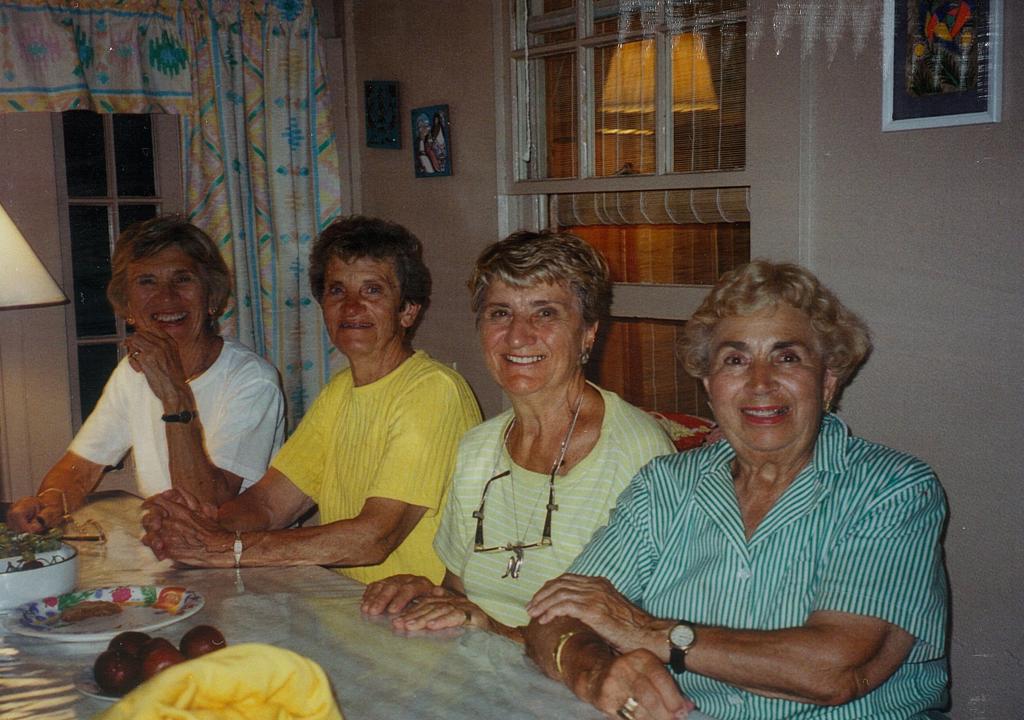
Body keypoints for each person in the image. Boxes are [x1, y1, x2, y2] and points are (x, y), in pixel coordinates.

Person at [524, 261, 949, 720]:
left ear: (827, 380)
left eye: (787, 357)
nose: (760, 383)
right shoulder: (664, 486)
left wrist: (649, 633)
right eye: (735, 360)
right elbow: (555, 619)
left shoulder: (892, 490)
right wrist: (599, 673)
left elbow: (834, 670)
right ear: (709, 386)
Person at [361, 231, 675, 640]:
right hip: (478, 674)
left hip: (578, 690)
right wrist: (427, 592)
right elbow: (460, 592)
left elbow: (638, 637)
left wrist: (490, 627)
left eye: (545, 313)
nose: (517, 336)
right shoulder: (477, 450)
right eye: (500, 313)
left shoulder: (640, 455)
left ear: (588, 334)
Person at [141, 216, 481, 585]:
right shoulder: (340, 391)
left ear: (407, 311)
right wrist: (196, 527)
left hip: (414, 623)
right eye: (337, 291)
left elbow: (375, 537)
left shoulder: (433, 390)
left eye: (372, 291)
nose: (351, 307)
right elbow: (269, 504)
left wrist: (226, 547)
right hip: (348, 610)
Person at [6, 216, 285, 533]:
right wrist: (49, 503)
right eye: (147, 282)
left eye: (183, 279)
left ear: (212, 298)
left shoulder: (252, 380)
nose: (166, 297)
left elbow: (209, 505)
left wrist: (173, 393)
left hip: (239, 557)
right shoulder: (132, 373)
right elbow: (79, 468)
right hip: (173, 547)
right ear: (126, 307)